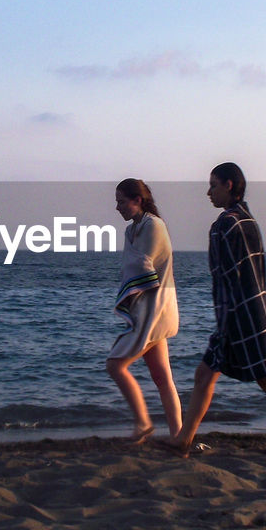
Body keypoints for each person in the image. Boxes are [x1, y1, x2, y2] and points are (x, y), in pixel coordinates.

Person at [164, 163, 266, 459]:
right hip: (255, 313)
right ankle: (183, 439)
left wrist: (225, 323)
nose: (208, 192)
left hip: (238, 317)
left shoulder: (224, 225)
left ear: (229, 185)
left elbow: (227, 279)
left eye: (213, 185)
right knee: (206, 375)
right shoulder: (248, 222)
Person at [106, 178, 183, 442]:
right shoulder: (132, 231)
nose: (117, 208)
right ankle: (179, 435)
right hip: (148, 311)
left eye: (121, 202)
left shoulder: (153, 225)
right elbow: (134, 265)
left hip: (156, 312)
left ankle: (143, 423)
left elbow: (141, 267)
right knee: (162, 378)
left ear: (137, 200)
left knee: (115, 365)